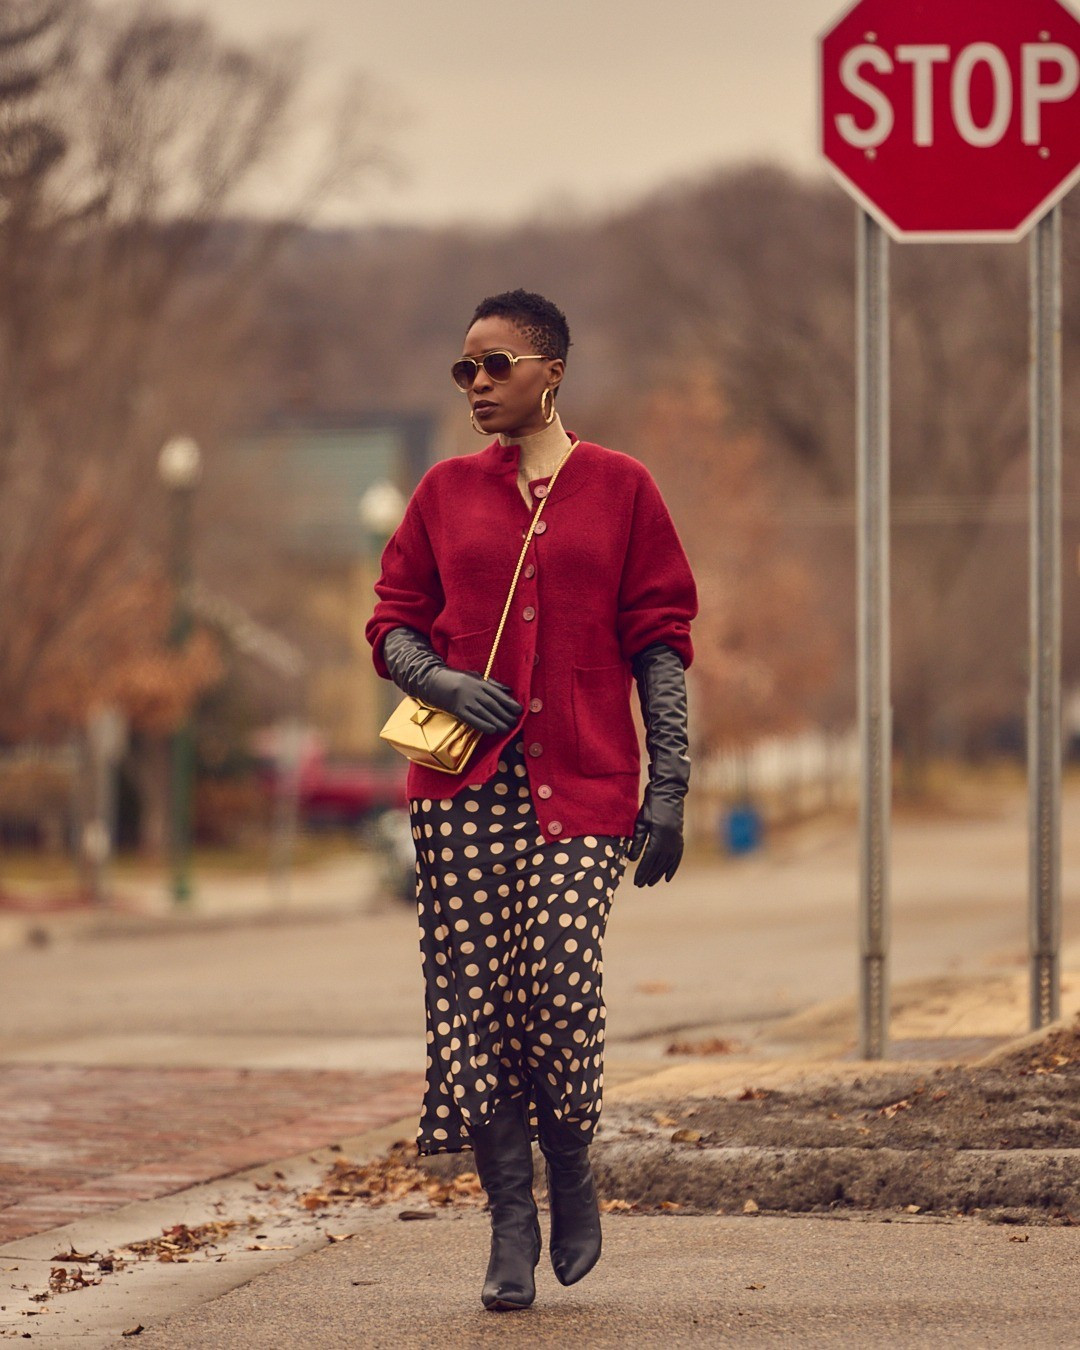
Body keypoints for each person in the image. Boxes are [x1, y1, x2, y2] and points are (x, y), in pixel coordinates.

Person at [365, 289, 697, 1311]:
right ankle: (510, 1217)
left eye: (494, 365)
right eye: (463, 370)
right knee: (474, 1007)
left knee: (557, 982)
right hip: (461, 790)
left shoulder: (623, 488)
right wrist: (439, 680)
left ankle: (572, 1168)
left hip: (588, 781)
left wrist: (670, 781)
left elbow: (661, 637)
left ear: (551, 371)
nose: (475, 385)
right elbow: (391, 621)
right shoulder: (442, 492)